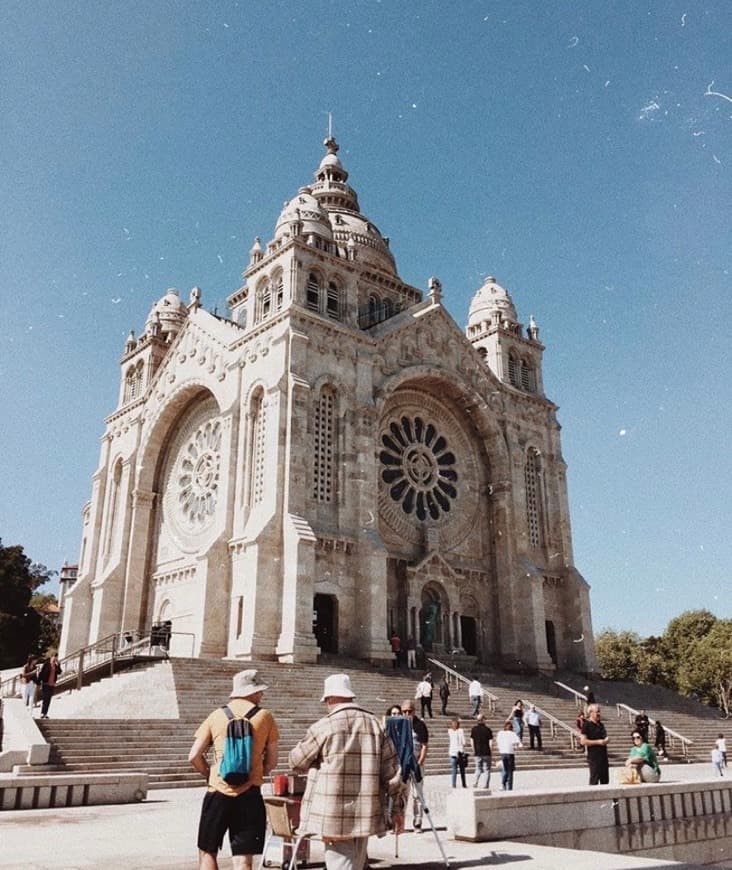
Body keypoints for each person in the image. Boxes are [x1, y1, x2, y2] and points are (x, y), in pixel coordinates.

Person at [290, 674, 398, 870]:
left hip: (333, 814)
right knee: (356, 863)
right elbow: (391, 772)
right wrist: (397, 808)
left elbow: (296, 762)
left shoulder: (324, 725)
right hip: (366, 812)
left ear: (330, 699)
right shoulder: (376, 724)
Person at [188, 669, 279, 870]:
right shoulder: (265, 717)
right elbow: (272, 761)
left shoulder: (216, 715)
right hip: (250, 793)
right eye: (260, 692)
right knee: (243, 859)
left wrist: (210, 773)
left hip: (217, 792)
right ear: (252, 692)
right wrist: (256, 772)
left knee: (207, 853)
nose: (261, 695)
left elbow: (193, 756)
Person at [401, 699, 429, 832]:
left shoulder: (420, 725)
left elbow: (424, 746)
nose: (407, 714)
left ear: (414, 711)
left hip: (416, 763)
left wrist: (420, 763)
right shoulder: (399, 725)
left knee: (417, 794)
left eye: (409, 711)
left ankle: (418, 821)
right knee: (402, 793)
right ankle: (399, 822)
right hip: (403, 765)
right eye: (404, 711)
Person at [580, 703, 610, 785]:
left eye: (599, 711)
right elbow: (583, 741)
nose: (599, 714)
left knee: (605, 780)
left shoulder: (601, 724)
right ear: (590, 713)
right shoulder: (586, 725)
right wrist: (598, 742)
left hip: (603, 756)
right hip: (594, 757)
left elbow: (605, 736)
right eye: (597, 712)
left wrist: (607, 740)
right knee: (594, 779)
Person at [495, 720, 522, 790]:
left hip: (502, 753)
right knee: (510, 771)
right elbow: (518, 744)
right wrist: (517, 746)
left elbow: (497, 741)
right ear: (511, 728)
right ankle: (508, 786)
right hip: (510, 753)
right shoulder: (512, 734)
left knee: (505, 769)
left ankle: (503, 783)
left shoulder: (500, 733)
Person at [470, 713, 493, 789]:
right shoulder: (488, 730)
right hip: (486, 752)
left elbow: (472, 741)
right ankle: (485, 785)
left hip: (477, 752)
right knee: (487, 769)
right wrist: (491, 751)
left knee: (478, 768)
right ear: (483, 720)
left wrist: (474, 750)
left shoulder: (474, 729)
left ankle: (474, 783)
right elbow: (490, 743)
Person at [38, 654, 62, 719]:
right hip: (45, 684)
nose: (55, 659)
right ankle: (42, 713)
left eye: (56, 657)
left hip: (52, 684)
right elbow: (41, 673)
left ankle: (45, 713)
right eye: (54, 657)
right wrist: (39, 682)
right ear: (51, 657)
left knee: (48, 699)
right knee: (45, 698)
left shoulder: (56, 666)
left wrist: (59, 665)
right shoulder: (46, 664)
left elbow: (60, 672)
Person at [448, 718, 468, 788]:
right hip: (459, 753)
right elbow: (464, 742)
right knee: (462, 770)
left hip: (452, 753)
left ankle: (454, 784)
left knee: (454, 770)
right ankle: (464, 784)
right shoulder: (461, 731)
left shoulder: (450, 731)